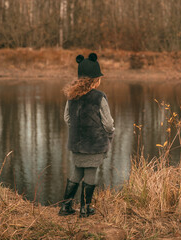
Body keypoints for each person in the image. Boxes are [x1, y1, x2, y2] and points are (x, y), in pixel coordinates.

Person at [58, 53, 115, 217]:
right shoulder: (99, 97)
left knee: (77, 170)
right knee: (90, 172)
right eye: (99, 77)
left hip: (76, 143)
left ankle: (65, 207)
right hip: (95, 144)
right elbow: (108, 123)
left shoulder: (72, 95)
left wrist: (77, 129)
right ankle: (85, 209)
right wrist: (111, 132)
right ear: (95, 80)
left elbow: (67, 118)